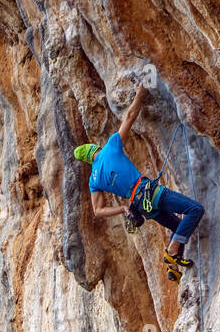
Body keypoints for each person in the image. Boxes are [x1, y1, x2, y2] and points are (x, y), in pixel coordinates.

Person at [73, 83, 204, 281]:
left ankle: (173, 266)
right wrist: (140, 94)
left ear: (88, 160)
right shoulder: (110, 148)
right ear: (95, 149)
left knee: (179, 226)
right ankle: (173, 249)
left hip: (142, 206)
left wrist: (123, 209)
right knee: (195, 210)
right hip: (150, 193)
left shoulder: (94, 180)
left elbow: (98, 211)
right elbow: (130, 116)